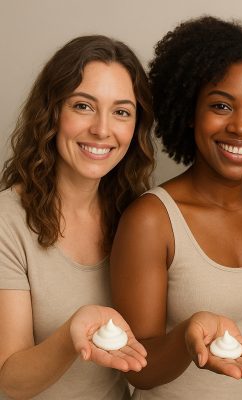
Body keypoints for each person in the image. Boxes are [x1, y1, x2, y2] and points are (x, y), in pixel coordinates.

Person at [109, 16, 242, 400]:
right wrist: (190, 337)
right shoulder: (151, 220)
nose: (241, 127)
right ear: (188, 111)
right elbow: (140, 369)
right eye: (221, 105)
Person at [0, 35, 154, 399]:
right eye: (83, 106)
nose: (102, 129)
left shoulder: (138, 216)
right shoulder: (7, 221)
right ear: (52, 112)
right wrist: (72, 334)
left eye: (121, 112)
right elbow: (9, 380)